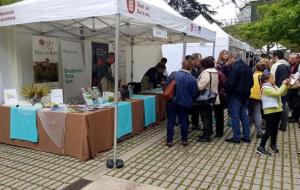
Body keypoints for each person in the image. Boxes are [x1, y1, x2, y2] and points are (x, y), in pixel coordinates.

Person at [165, 59, 198, 147]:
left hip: (171, 101)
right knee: (184, 121)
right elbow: (194, 93)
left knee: (171, 121)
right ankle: (184, 140)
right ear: (191, 67)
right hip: (185, 103)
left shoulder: (173, 74)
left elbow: (166, 85)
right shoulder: (193, 79)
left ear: (182, 65)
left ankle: (169, 141)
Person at [256, 71, 289, 156]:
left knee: (275, 129)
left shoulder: (273, 86)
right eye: (272, 78)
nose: (274, 79)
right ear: (267, 80)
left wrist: (285, 86)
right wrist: (283, 85)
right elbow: (277, 93)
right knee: (269, 130)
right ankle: (260, 147)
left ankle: (272, 145)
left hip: (277, 110)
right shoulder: (265, 88)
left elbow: (282, 93)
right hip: (270, 112)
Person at [225, 54, 254, 144]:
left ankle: (236, 137)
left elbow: (230, 83)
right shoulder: (247, 67)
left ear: (233, 58)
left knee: (235, 116)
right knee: (243, 115)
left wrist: (227, 91)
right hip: (245, 95)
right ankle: (246, 136)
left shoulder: (234, 67)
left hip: (235, 95)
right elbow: (252, 82)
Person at [197, 56, 219, 142]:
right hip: (212, 97)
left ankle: (206, 136)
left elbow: (200, 87)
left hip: (205, 98)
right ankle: (208, 132)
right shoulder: (214, 72)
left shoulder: (206, 73)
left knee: (205, 117)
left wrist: (196, 83)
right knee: (209, 116)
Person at [270, 50, 290, 131]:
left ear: (276, 57)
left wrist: (277, 90)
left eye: (273, 57)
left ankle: (281, 125)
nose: (272, 59)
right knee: (283, 106)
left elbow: (277, 79)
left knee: (282, 106)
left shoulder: (278, 66)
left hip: (280, 89)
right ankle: (283, 125)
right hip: (283, 88)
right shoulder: (285, 65)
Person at [248, 61, 268, 138]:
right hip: (259, 97)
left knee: (249, 114)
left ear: (256, 68)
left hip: (250, 96)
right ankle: (259, 131)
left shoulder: (252, 75)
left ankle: (247, 130)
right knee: (257, 114)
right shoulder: (264, 76)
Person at [190, 53, 203, 130]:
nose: (200, 61)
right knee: (190, 110)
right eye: (199, 60)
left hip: (197, 93)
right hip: (190, 93)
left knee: (196, 110)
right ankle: (188, 125)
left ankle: (195, 124)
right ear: (194, 60)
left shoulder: (199, 68)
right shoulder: (189, 68)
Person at [287, 54, 300, 123]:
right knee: (292, 102)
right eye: (291, 58)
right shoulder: (289, 66)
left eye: (293, 58)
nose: (292, 59)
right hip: (290, 87)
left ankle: (295, 117)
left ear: (297, 59)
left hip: (296, 87)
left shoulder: (298, 67)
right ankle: (293, 116)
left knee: (296, 103)